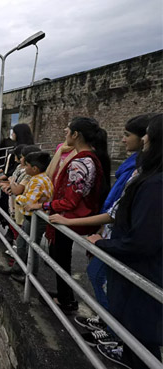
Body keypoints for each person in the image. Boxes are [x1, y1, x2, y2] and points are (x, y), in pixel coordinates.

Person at [49, 114, 151, 335]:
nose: (123, 139)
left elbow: (72, 199)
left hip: (107, 231)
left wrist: (49, 205)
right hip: (105, 226)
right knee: (103, 277)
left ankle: (112, 328)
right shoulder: (105, 161)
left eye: (126, 135)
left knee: (100, 276)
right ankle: (107, 322)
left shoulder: (83, 161)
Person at [88, 114, 162, 369]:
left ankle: (122, 343)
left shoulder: (154, 185)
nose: (144, 139)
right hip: (144, 271)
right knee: (140, 334)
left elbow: (142, 242)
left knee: (141, 332)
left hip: (144, 272)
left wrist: (103, 244)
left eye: (147, 134)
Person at [27, 117, 111, 312]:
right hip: (73, 216)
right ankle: (65, 295)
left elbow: (70, 201)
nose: (65, 132)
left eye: (68, 130)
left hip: (68, 218)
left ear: (76, 135)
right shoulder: (91, 157)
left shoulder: (80, 163)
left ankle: (66, 300)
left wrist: (43, 205)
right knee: (60, 257)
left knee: (61, 258)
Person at [2, 151, 53, 283]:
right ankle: (17, 268)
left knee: (32, 247)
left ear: (34, 168)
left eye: (27, 166)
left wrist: (17, 197)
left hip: (36, 220)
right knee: (21, 243)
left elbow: (28, 202)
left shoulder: (37, 181)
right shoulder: (40, 178)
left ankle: (31, 277)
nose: (25, 168)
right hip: (30, 218)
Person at [0, 124, 35, 243]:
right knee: (16, 217)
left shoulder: (19, 151)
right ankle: (12, 235)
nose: (12, 135)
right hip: (18, 189)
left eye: (14, 132)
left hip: (15, 190)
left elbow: (11, 172)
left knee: (14, 214)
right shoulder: (31, 149)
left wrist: (5, 180)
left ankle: (12, 237)